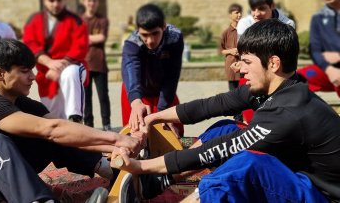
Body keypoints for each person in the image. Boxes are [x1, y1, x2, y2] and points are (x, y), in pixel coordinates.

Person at [114, 19, 340, 202]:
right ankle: (157, 183)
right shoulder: (278, 86)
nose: (240, 69)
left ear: (273, 63)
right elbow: (210, 106)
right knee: (224, 128)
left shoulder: (288, 112)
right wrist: (153, 117)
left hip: (321, 197)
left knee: (245, 168)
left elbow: (218, 150)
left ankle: (163, 182)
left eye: (247, 62)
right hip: (301, 178)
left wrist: (140, 166)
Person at [0, 39, 142, 202]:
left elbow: (63, 128)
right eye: (24, 71)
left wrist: (112, 149)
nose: (33, 77)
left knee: (58, 135)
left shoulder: (19, 101)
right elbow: (51, 128)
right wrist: (118, 139)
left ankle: (114, 171)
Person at [23, 0, 88, 122]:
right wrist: (49, 63)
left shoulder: (76, 21)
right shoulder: (34, 20)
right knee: (52, 119)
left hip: (72, 66)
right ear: (44, 0)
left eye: (59, 0)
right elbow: (30, 43)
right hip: (47, 75)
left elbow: (80, 46)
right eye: (51, 0)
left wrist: (60, 66)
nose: (55, 4)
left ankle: (75, 118)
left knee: (70, 73)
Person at [121, 3, 184, 137]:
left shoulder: (175, 38)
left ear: (164, 27)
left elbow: (172, 75)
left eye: (155, 33)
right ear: (138, 30)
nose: (150, 41)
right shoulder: (131, 44)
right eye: (145, 35)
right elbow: (131, 72)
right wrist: (136, 101)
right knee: (133, 134)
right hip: (137, 92)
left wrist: (162, 111)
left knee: (173, 133)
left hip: (165, 91)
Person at [297, 0, 340, 97]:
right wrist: (329, 69)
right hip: (327, 70)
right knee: (294, 79)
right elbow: (315, 50)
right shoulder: (318, 18)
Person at [82, 0, 112, 131]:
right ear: (84, 2)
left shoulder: (102, 20)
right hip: (84, 65)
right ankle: (89, 125)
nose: (92, 3)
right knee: (86, 98)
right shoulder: (79, 20)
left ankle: (106, 124)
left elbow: (102, 37)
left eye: (94, 0)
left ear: (97, 3)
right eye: (89, 0)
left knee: (103, 97)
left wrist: (84, 38)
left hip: (99, 64)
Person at [219, 3, 243, 90]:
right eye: (236, 12)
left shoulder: (245, 30)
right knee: (232, 92)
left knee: (244, 91)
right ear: (230, 15)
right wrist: (230, 51)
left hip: (243, 64)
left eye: (240, 12)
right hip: (231, 66)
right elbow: (221, 50)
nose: (239, 15)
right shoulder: (225, 33)